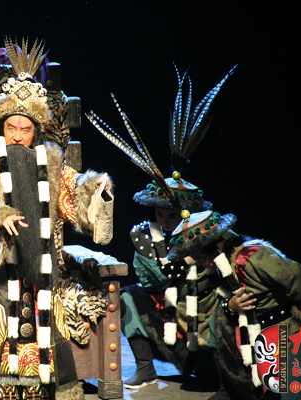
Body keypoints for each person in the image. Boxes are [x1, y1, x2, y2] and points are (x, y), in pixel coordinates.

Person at [0, 38, 113, 400]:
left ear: (34, 131)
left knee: (44, 338)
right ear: (2, 127)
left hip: (40, 269)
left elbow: (71, 191)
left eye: (25, 130)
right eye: (12, 128)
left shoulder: (49, 162)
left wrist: (95, 188)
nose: (18, 137)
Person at [87, 66, 235, 389]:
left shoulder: (205, 233)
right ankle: (145, 369)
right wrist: (184, 261)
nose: (166, 221)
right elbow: (155, 278)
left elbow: (226, 275)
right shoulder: (144, 235)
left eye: (173, 215)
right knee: (127, 296)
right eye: (160, 213)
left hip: (205, 322)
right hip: (168, 324)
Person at [167, 210, 301, 400]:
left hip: (288, 334)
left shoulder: (251, 258)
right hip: (258, 337)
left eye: (200, 253)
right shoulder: (220, 267)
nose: (199, 260)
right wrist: (230, 305)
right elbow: (222, 301)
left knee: (296, 395)